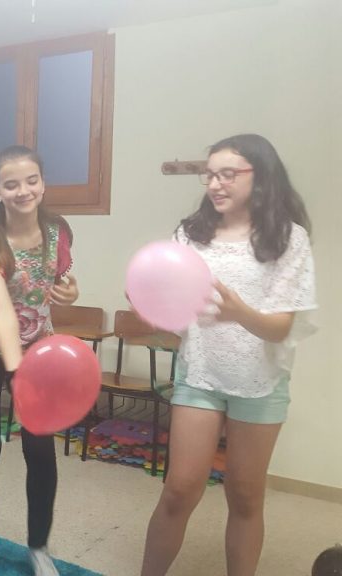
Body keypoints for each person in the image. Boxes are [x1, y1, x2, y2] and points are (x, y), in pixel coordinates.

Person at [141, 134, 317, 576]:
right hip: (200, 374)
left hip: (261, 383)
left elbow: (282, 326)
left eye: (228, 174)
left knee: (244, 495)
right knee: (179, 489)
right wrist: (149, 300)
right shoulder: (191, 233)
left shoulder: (287, 238)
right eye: (210, 174)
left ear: (260, 177)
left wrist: (239, 312)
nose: (215, 184)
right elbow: (171, 301)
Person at [0, 145, 77, 576]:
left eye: (32, 181)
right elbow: (4, 311)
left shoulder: (59, 231)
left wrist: (71, 292)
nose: (24, 190)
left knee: (41, 451)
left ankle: (39, 546)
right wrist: (16, 368)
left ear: (43, 183)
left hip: (37, 349)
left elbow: (58, 282)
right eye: (12, 184)